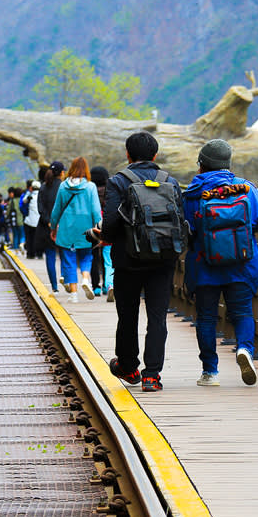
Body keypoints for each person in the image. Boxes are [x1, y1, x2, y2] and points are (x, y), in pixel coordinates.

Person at [95, 131, 186, 393]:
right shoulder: (169, 181)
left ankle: (129, 366)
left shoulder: (118, 181)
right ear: (155, 155)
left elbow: (111, 221)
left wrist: (106, 238)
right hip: (162, 260)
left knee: (128, 316)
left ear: (128, 154)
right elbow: (179, 219)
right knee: (157, 317)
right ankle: (152, 375)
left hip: (127, 259)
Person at [184, 139, 258, 387]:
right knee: (242, 312)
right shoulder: (246, 189)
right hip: (242, 262)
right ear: (228, 164)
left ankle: (210, 372)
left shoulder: (192, 193)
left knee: (207, 318)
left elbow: (186, 229)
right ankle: (244, 349)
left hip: (204, 264)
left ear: (201, 164)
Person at [47, 157, 102, 303]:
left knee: (69, 260)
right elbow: (96, 211)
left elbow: (56, 210)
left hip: (66, 227)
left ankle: (74, 294)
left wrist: (53, 227)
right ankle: (85, 278)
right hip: (86, 226)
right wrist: (98, 227)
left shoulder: (64, 186)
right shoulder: (90, 187)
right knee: (87, 255)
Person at [37, 162, 65, 292]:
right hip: (62, 226)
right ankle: (67, 280)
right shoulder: (63, 187)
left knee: (50, 256)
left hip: (46, 227)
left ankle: (54, 286)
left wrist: (49, 222)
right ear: (61, 173)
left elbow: (40, 208)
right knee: (66, 254)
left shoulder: (43, 187)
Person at [89, 166, 114, 302]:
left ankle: (95, 287)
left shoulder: (89, 189)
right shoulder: (110, 188)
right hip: (107, 224)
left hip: (93, 225)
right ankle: (107, 285)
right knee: (107, 256)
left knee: (93, 256)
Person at [22, 180, 41, 259]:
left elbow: (23, 201)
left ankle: (30, 253)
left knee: (29, 238)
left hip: (29, 220)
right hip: (39, 220)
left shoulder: (29, 195)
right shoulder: (41, 195)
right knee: (38, 238)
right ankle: (39, 253)